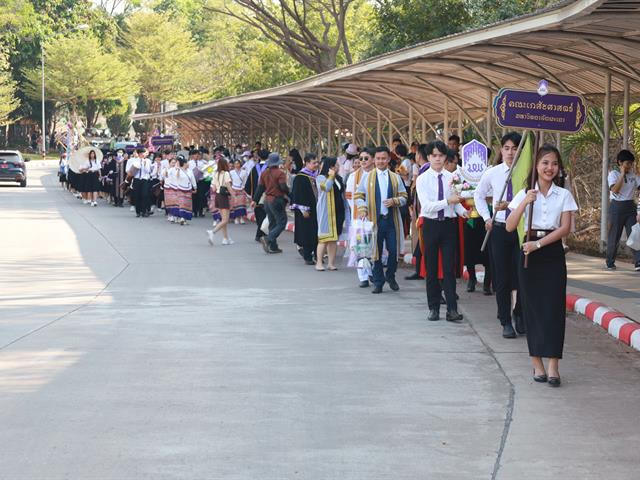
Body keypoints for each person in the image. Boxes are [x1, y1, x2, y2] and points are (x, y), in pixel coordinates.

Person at [506, 145, 578, 387]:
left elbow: (565, 228)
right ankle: (536, 362)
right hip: (528, 255)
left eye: (554, 164)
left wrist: (539, 244)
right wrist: (524, 202)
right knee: (532, 308)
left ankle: (553, 365)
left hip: (552, 254)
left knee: (554, 308)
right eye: (545, 163)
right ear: (536, 165)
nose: (550, 168)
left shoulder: (564, 195)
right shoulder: (525, 193)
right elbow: (509, 226)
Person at [474, 132, 524, 338]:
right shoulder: (492, 173)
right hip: (500, 230)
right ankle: (505, 320)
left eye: (515, 148)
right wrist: (487, 217)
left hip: (522, 231)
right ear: (501, 150)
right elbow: (478, 195)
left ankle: (519, 314)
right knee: (502, 278)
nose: (511, 152)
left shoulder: (527, 173)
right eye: (507, 148)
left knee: (522, 275)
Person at [416, 140, 468, 322]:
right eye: (434, 155)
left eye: (441, 155)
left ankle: (452, 309)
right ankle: (434, 307)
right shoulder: (422, 179)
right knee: (431, 268)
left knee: (449, 268)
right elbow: (428, 206)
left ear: (446, 157)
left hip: (448, 225)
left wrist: (465, 212)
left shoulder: (452, 177)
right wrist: (449, 202)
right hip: (430, 225)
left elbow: (457, 203)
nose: (437, 159)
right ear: (428, 157)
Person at [354, 146, 408, 293]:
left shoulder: (395, 177)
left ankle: (391, 275)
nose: (380, 161)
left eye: (383, 158)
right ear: (374, 160)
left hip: (391, 221)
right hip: (374, 221)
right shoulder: (367, 177)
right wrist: (363, 208)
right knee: (375, 252)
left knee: (393, 251)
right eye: (378, 158)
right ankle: (378, 281)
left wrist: (395, 201)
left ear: (389, 159)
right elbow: (358, 196)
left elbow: (404, 197)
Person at [606, 149, 640, 271]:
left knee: (635, 234)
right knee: (614, 236)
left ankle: (638, 261)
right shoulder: (613, 174)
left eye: (631, 163)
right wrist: (621, 174)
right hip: (617, 207)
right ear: (620, 162)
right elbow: (614, 190)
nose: (629, 166)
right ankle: (610, 261)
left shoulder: (633, 175)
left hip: (630, 207)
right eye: (627, 163)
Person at [345, 148, 375, 286]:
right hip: (358, 217)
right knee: (359, 246)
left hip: (375, 217)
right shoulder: (353, 177)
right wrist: (361, 209)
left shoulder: (378, 175)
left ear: (373, 159)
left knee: (374, 246)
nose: (362, 161)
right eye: (360, 158)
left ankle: (372, 273)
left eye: (365, 158)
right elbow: (350, 197)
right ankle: (362, 276)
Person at [254, 153, 289, 254]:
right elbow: (283, 187)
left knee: (272, 222)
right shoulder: (280, 173)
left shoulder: (264, 173)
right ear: (278, 162)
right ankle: (268, 238)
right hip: (277, 200)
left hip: (267, 201)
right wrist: (290, 193)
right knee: (282, 222)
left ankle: (273, 246)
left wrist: (255, 200)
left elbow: (260, 188)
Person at [315, 156, 346, 271]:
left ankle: (331, 263)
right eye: (336, 165)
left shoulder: (339, 178)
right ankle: (319, 262)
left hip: (338, 211)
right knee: (324, 238)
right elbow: (326, 188)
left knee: (333, 239)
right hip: (326, 212)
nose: (338, 167)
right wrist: (331, 176)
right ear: (331, 166)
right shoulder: (321, 177)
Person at [291, 153, 320, 265]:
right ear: (307, 163)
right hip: (305, 211)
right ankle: (307, 255)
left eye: (317, 162)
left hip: (316, 209)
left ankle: (317, 254)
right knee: (307, 232)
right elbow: (297, 195)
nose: (316, 165)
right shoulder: (300, 177)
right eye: (314, 163)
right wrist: (303, 210)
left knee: (315, 232)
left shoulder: (316, 176)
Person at [207, 157, 234, 245]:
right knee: (225, 220)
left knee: (223, 219)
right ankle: (213, 232)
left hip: (217, 196)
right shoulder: (226, 173)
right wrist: (234, 195)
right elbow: (228, 186)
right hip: (224, 196)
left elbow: (213, 188)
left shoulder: (215, 174)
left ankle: (225, 238)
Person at [245, 149, 269, 242]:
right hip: (268, 195)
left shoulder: (254, 168)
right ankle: (261, 235)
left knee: (259, 215)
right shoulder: (270, 168)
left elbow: (248, 184)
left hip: (256, 196)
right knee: (266, 216)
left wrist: (251, 195)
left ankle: (260, 234)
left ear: (259, 157)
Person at [166, 154, 197, 225]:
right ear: (184, 164)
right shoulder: (178, 170)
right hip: (180, 189)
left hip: (188, 189)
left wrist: (195, 187)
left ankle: (184, 218)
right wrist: (177, 169)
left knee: (187, 205)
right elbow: (176, 177)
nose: (188, 164)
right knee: (182, 204)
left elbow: (193, 179)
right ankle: (182, 218)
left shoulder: (190, 171)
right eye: (187, 163)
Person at [128, 148, 152, 218]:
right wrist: (134, 170)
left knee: (144, 195)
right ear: (138, 154)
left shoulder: (148, 161)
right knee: (137, 195)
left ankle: (144, 211)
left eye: (143, 153)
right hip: (137, 179)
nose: (142, 155)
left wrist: (144, 165)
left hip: (145, 179)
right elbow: (130, 171)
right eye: (141, 154)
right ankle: (138, 211)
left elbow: (148, 171)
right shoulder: (134, 161)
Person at [230, 159, 248, 224]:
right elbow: (230, 182)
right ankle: (236, 218)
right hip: (234, 189)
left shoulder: (244, 172)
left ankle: (242, 218)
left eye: (238, 163)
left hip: (241, 189)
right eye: (235, 163)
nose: (237, 165)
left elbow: (245, 181)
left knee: (242, 204)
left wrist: (242, 188)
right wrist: (232, 189)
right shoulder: (231, 172)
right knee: (235, 204)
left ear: (240, 164)